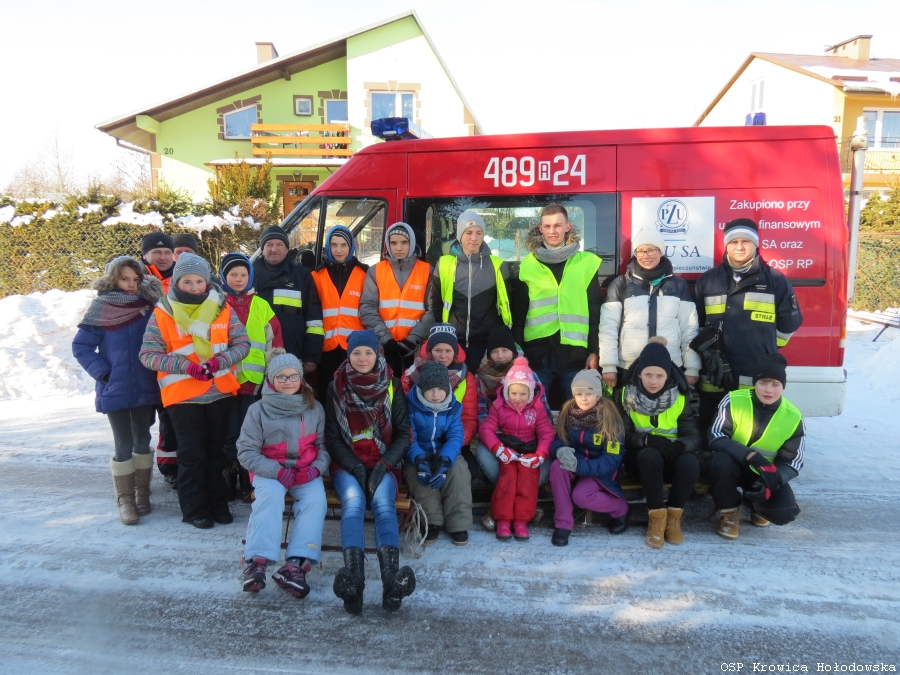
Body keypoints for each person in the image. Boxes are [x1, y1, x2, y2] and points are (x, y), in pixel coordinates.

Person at [139, 253, 250, 528]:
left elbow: (242, 343)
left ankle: (218, 504)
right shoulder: (163, 311)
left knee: (217, 453)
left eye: (198, 281)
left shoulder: (222, 308)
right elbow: (148, 354)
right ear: (177, 282)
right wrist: (185, 367)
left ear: (207, 281)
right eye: (187, 281)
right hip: (183, 396)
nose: (193, 286)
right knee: (192, 454)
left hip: (219, 391)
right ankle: (195, 509)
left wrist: (220, 362)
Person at [325, 330, 416, 614]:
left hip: (382, 462)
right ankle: (355, 582)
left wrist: (382, 466)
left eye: (368, 352)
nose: (362, 358)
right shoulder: (336, 386)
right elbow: (332, 437)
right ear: (348, 356)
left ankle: (392, 582)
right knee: (353, 504)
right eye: (356, 353)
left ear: (378, 354)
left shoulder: (391, 384)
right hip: (348, 463)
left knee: (383, 505)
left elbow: (403, 434)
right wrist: (353, 466)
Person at [72, 256, 163, 525]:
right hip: (115, 386)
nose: (131, 285)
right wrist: (104, 373)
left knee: (142, 439)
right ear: (113, 278)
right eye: (125, 279)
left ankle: (142, 493)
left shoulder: (148, 307)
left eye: (136, 279)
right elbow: (81, 347)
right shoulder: (101, 309)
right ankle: (125, 499)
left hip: (146, 385)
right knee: (123, 442)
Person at [693, 218, 803, 430]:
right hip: (713, 369)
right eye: (734, 242)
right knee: (710, 419)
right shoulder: (707, 280)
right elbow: (696, 324)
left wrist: (766, 349)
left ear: (756, 244)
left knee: (748, 424)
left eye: (746, 241)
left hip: (753, 367)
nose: (740, 247)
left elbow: (789, 324)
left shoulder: (775, 280)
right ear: (726, 246)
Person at [238, 351, 329, 599]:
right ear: (270, 380)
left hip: (303, 471)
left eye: (293, 376)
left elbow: (323, 447)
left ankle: (296, 564)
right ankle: (257, 560)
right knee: (270, 498)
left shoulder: (314, 408)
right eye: (281, 377)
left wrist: (315, 468)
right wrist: (276, 471)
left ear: (301, 378)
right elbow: (246, 452)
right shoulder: (258, 410)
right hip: (270, 471)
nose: (288, 381)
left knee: (315, 501)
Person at [705, 354, 804, 539]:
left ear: (783, 387)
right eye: (763, 383)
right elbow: (716, 436)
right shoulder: (733, 399)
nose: (768, 390)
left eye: (775, 384)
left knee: (785, 511)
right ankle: (729, 512)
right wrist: (750, 456)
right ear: (755, 383)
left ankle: (757, 507)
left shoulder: (793, 416)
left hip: (764, 473)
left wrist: (773, 479)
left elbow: (794, 462)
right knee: (719, 462)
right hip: (732, 465)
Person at [512, 204, 602, 400]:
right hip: (537, 355)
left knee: (578, 413)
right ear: (541, 229)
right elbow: (518, 313)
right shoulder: (528, 264)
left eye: (558, 225)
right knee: (532, 413)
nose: (553, 231)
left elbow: (595, 312)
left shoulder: (586, 263)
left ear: (567, 227)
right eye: (548, 226)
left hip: (575, 357)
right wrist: (518, 353)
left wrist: (595, 351)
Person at [620, 337, 703, 549]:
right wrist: (646, 439)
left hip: (672, 455)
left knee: (690, 462)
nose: (653, 381)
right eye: (648, 374)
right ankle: (656, 519)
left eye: (659, 375)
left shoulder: (681, 397)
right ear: (640, 373)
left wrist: (681, 446)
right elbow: (622, 435)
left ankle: (674, 517)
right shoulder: (625, 395)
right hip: (640, 460)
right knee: (650, 455)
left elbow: (694, 435)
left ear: (668, 375)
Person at [598, 228, 700, 389]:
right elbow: (608, 328)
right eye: (640, 251)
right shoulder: (620, 284)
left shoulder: (678, 285)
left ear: (661, 252)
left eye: (651, 250)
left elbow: (689, 329)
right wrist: (609, 366)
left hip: (670, 367)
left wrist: (692, 368)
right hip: (629, 367)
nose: (646, 255)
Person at [220, 252, 283, 500]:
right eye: (233, 274)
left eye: (243, 274)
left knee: (252, 434)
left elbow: (274, 342)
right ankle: (227, 475)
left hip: (253, 383)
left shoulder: (261, 305)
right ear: (223, 277)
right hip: (224, 381)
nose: (238, 279)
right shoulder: (217, 305)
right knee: (227, 433)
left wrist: (275, 375)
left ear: (250, 276)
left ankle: (249, 479)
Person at [548, 370, 629, 546]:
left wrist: (579, 467)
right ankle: (563, 523)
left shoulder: (610, 419)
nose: (584, 398)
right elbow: (559, 439)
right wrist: (560, 450)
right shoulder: (569, 413)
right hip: (576, 464)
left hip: (600, 470)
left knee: (581, 496)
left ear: (598, 395)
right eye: (579, 394)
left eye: (589, 393)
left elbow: (611, 460)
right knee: (557, 466)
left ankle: (620, 508)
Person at [478, 357, 555, 541]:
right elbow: (486, 428)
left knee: (527, 483)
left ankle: (521, 521)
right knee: (508, 480)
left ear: (530, 393)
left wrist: (540, 455)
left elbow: (546, 433)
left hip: (529, 452)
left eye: (523, 394)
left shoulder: (536, 410)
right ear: (506, 391)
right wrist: (499, 449)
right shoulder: (499, 407)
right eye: (513, 393)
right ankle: (503, 521)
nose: (518, 398)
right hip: (509, 453)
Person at [432, 210, 512, 374]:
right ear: (460, 235)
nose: (474, 238)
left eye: (479, 233)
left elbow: (507, 305)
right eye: (468, 233)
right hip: (453, 344)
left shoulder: (498, 265)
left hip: (486, 346)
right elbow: (436, 304)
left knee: (483, 396)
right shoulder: (444, 264)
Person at [403, 361, 472, 546]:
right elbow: (408, 436)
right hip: (418, 452)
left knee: (458, 471)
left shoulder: (453, 406)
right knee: (418, 477)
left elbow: (456, 435)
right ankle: (431, 520)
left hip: (444, 450)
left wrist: (445, 461)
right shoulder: (410, 405)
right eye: (430, 389)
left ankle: (458, 523)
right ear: (422, 388)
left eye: (440, 389)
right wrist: (419, 460)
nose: (436, 395)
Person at [359, 221, 435, 377]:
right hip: (384, 348)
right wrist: (386, 340)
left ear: (412, 243)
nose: (398, 248)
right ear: (388, 244)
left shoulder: (427, 271)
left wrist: (413, 339)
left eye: (404, 242)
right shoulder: (376, 271)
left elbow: (433, 310)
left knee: (414, 391)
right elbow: (367, 308)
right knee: (388, 392)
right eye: (393, 243)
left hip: (417, 348)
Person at [252, 224, 324, 374]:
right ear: (262, 249)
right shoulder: (249, 276)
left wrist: (311, 355)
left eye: (279, 244)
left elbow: (314, 319)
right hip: (254, 356)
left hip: (293, 354)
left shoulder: (302, 276)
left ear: (286, 249)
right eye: (269, 245)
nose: (274, 249)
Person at [140, 231, 180, 486]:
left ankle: (171, 468)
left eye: (167, 252)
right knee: (143, 421)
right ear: (146, 254)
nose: (163, 257)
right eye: (157, 252)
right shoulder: (136, 278)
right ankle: (138, 479)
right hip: (144, 360)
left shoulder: (181, 277)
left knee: (171, 417)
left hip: (174, 359)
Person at [310, 225, 368, 392]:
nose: (339, 250)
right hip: (326, 348)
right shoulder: (317, 276)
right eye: (334, 245)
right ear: (328, 247)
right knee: (328, 394)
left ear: (351, 247)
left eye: (343, 245)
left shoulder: (364, 274)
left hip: (356, 348)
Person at [400, 324, 477, 448]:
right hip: (417, 441)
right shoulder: (411, 374)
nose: (443, 356)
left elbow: (469, 418)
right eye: (438, 350)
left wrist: (455, 441)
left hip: (452, 440)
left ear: (455, 352)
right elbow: (402, 415)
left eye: (448, 351)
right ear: (430, 352)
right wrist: (413, 439)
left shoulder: (466, 378)